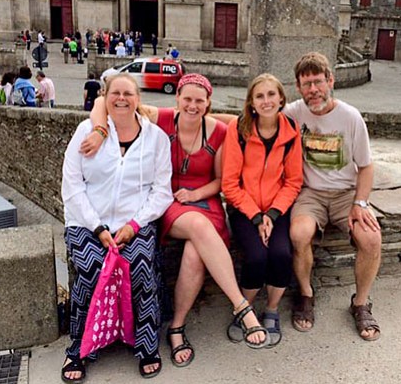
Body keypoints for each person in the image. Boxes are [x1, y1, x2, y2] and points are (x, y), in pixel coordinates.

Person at [82, 74, 269, 367]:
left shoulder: (219, 131)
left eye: (199, 100)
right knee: (197, 226)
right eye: (187, 99)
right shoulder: (163, 119)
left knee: (196, 251)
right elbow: (103, 101)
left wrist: (196, 195)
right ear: (177, 99)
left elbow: (220, 180)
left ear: (208, 103)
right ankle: (241, 305)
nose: (192, 106)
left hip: (203, 201)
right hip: (169, 201)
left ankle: (177, 328)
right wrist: (99, 130)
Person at [61, 73, 173, 383]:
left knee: (138, 265)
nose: (121, 99)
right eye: (115, 93)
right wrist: (97, 228)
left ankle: (147, 344)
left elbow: (162, 191)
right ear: (105, 98)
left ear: (139, 99)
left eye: (128, 93)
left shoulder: (156, 139)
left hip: (134, 223)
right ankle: (80, 348)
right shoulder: (87, 132)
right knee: (93, 269)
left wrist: (135, 224)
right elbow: (71, 186)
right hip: (86, 223)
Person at [285, 52, 381, 341]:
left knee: (371, 238)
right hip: (310, 193)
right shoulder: (293, 112)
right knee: (299, 234)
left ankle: (361, 303)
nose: (313, 90)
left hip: (345, 194)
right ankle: (305, 294)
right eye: (306, 84)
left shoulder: (350, 117)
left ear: (330, 81)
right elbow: (255, 115)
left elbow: (365, 166)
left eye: (318, 82)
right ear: (299, 88)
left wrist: (360, 203)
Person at [221, 73, 303, 348]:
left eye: (271, 95)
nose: (266, 101)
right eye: (259, 96)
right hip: (245, 209)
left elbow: (293, 181)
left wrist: (272, 215)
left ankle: (271, 309)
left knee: (281, 253)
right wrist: (257, 216)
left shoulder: (291, 131)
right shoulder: (238, 129)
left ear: (281, 98)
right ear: (251, 103)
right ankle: (243, 311)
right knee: (256, 256)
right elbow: (229, 184)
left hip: (277, 209)